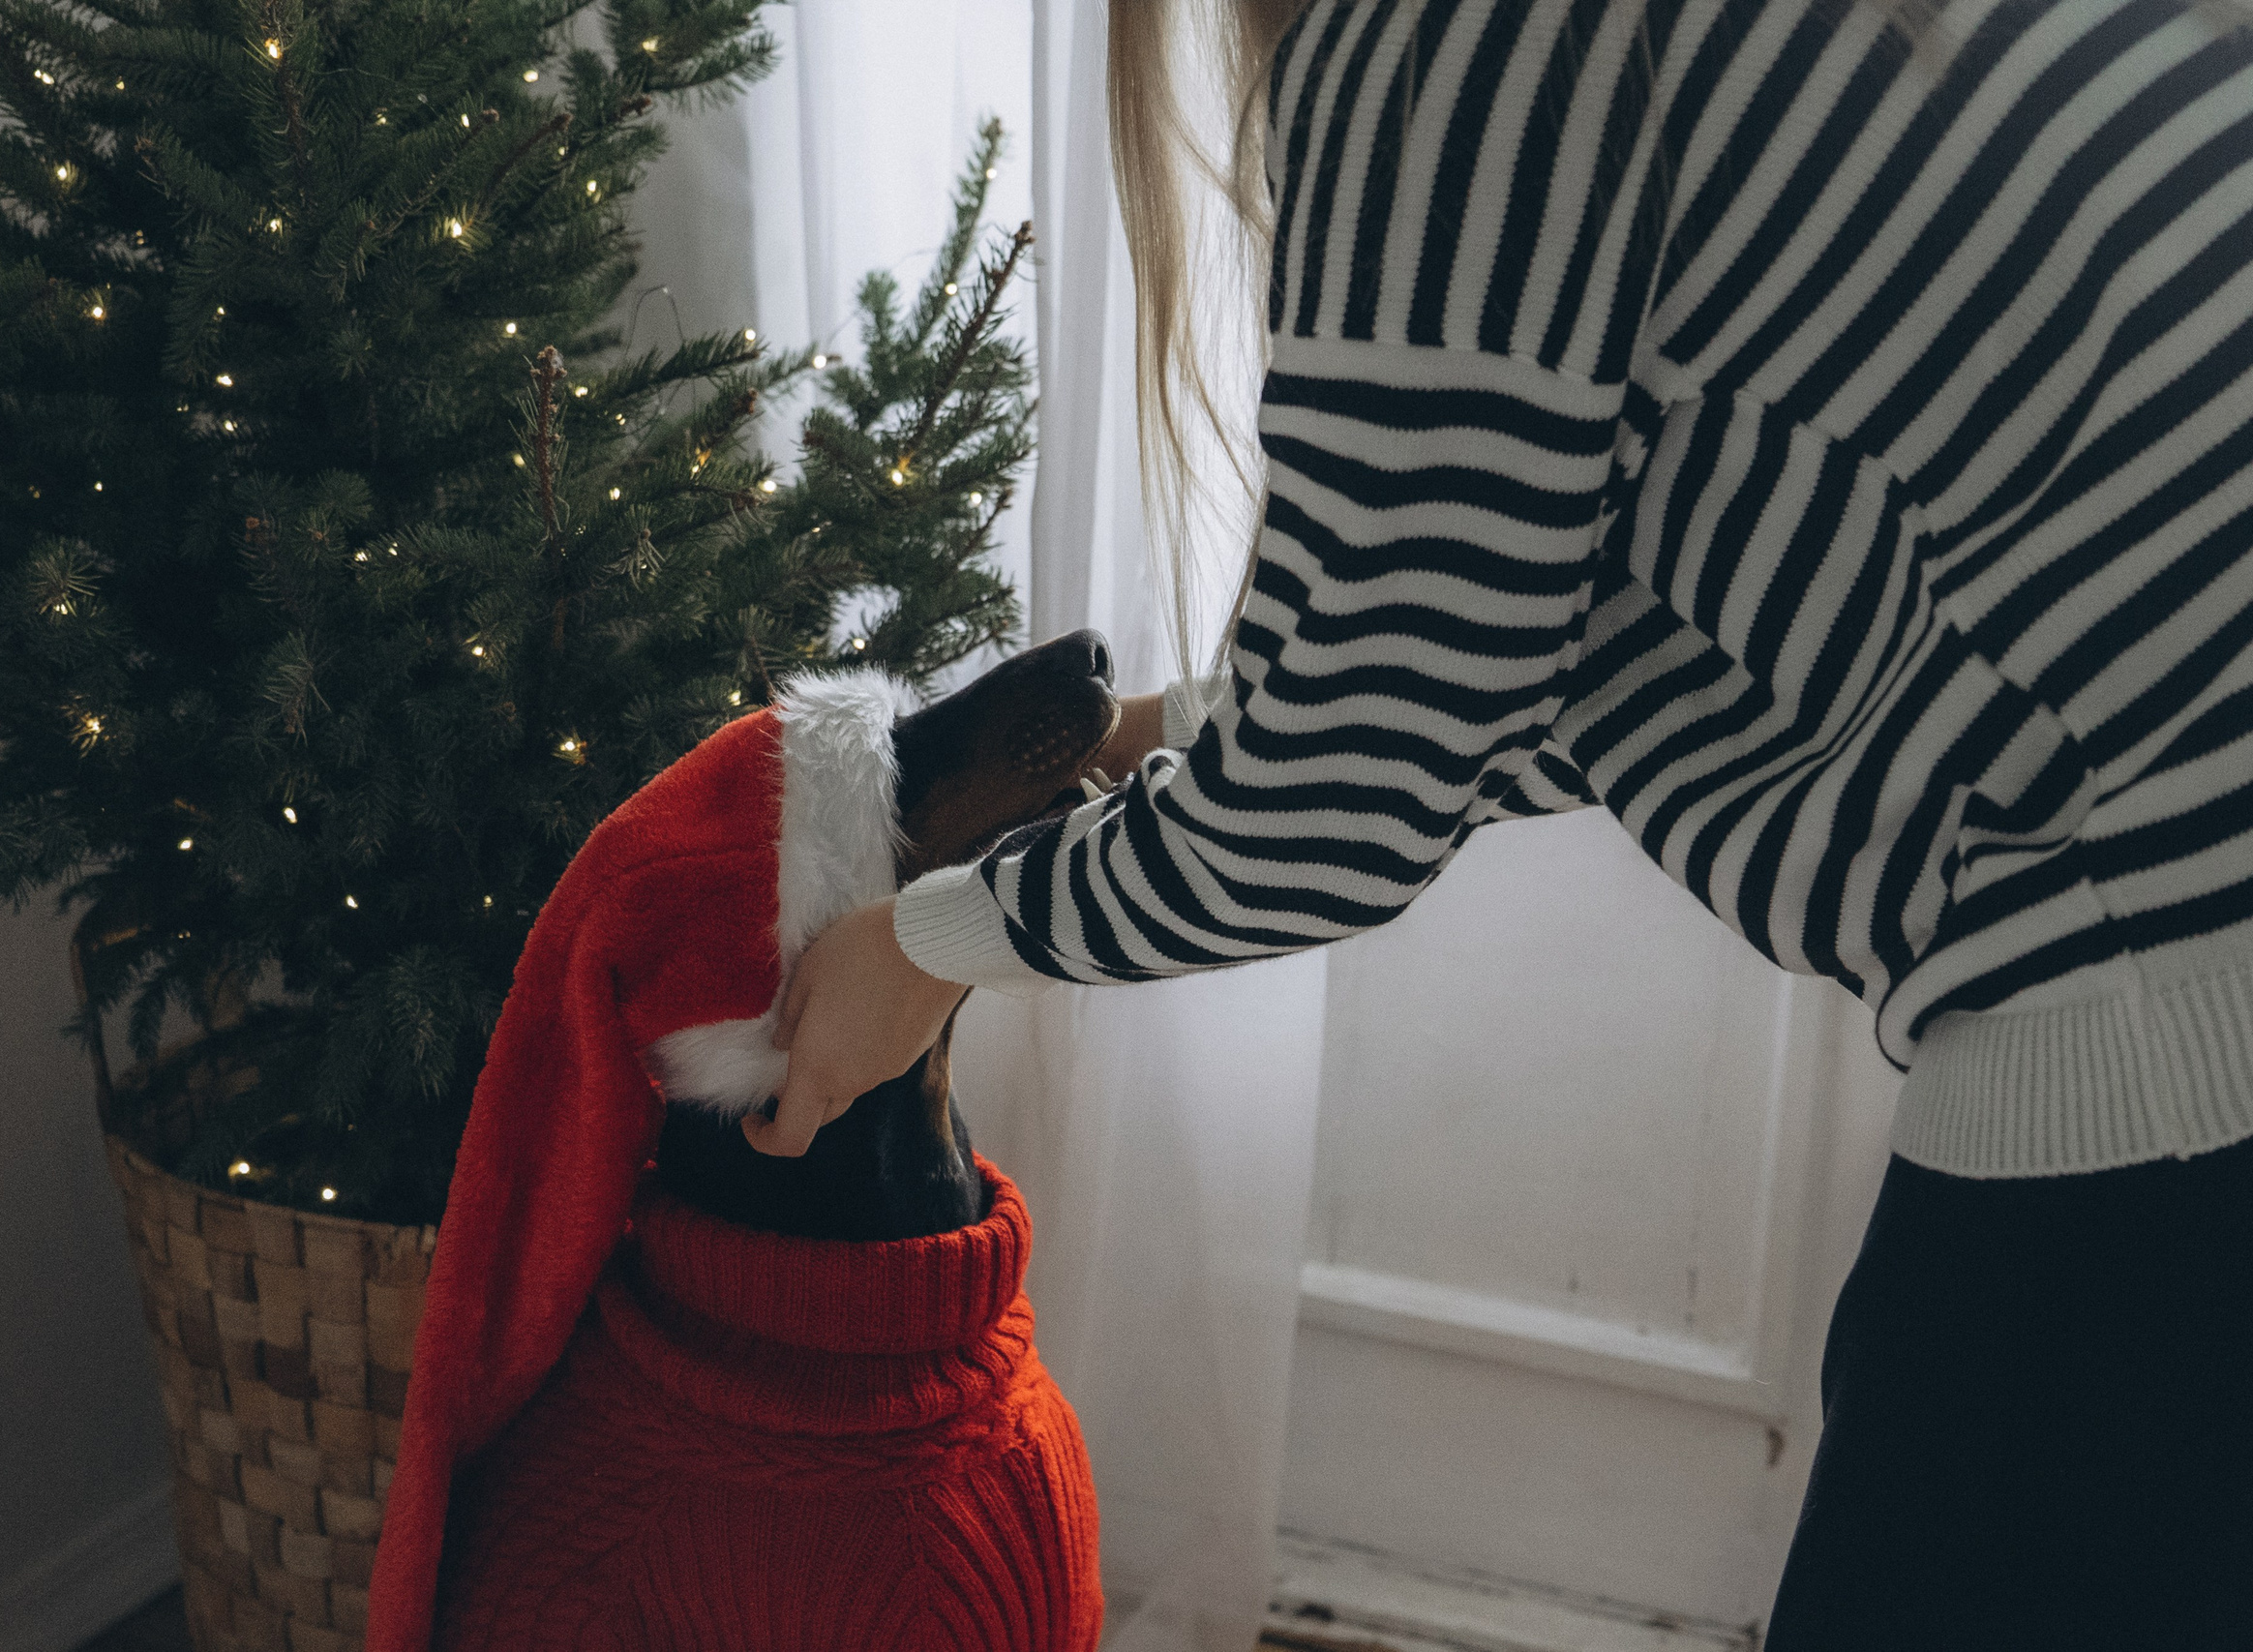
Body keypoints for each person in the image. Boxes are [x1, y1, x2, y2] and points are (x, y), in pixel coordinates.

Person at [757, 0, 2253, 1643]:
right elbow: (1499, 632)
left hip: (2161, 991)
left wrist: (931, 944)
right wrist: (1155, 736)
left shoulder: (1447, 39)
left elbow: (1346, 798)